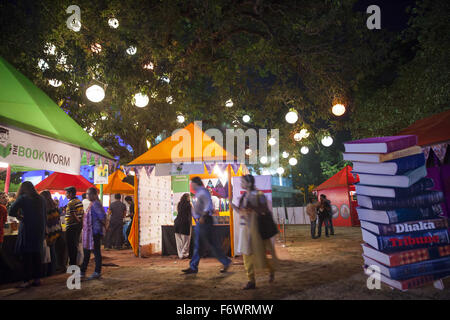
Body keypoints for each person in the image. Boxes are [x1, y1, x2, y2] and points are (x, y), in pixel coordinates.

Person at [233, 174, 277, 290]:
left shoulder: (259, 195)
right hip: (245, 228)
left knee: (260, 254)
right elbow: (241, 211)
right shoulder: (244, 196)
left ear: (249, 183)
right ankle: (251, 280)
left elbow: (265, 211)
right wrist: (233, 206)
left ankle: (271, 270)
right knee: (246, 254)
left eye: (243, 181)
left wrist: (253, 211)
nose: (241, 183)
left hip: (256, 229)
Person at [182, 177, 231, 274]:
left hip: (204, 221)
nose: (191, 185)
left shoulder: (203, 192)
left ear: (196, 184)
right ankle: (194, 266)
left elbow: (208, 206)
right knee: (200, 244)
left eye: (192, 184)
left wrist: (203, 217)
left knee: (209, 244)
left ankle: (225, 262)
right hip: (201, 221)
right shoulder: (199, 193)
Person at [8, 181, 46, 288]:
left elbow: (11, 211)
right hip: (39, 230)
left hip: (27, 229)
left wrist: (20, 217)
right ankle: (37, 279)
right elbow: (44, 215)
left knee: (26, 256)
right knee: (36, 255)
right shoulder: (41, 199)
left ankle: (26, 281)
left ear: (23, 189)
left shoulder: (23, 198)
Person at [80, 187, 106, 280]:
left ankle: (96, 272)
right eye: (87, 194)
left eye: (90, 194)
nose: (88, 196)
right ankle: (83, 271)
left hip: (94, 232)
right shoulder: (92, 204)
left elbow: (103, 218)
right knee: (87, 252)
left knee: (96, 252)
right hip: (90, 233)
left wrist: (104, 228)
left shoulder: (96, 204)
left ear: (95, 195)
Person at [40, 190, 62, 276]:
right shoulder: (54, 205)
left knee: (51, 250)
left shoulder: (45, 207)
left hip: (49, 231)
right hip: (56, 230)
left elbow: (45, 221)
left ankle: (51, 270)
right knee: (53, 249)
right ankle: (53, 269)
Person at [64, 186, 84, 267]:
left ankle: (72, 263)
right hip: (77, 226)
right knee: (75, 244)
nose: (66, 195)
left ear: (71, 194)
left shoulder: (71, 203)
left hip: (72, 226)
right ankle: (75, 262)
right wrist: (80, 223)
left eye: (67, 193)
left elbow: (73, 214)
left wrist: (78, 221)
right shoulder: (79, 201)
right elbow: (82, 214)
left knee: (71, 245)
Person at [174, 193, 192, 259]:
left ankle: (180, 255)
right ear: (187, 198)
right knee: (186, 240)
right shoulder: (189, 204)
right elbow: (192, 213)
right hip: (185, 223)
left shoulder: (179, 204)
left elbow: (178, 211)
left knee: (179, 241)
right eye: (189, 197)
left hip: (177, 222)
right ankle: (184, 254)